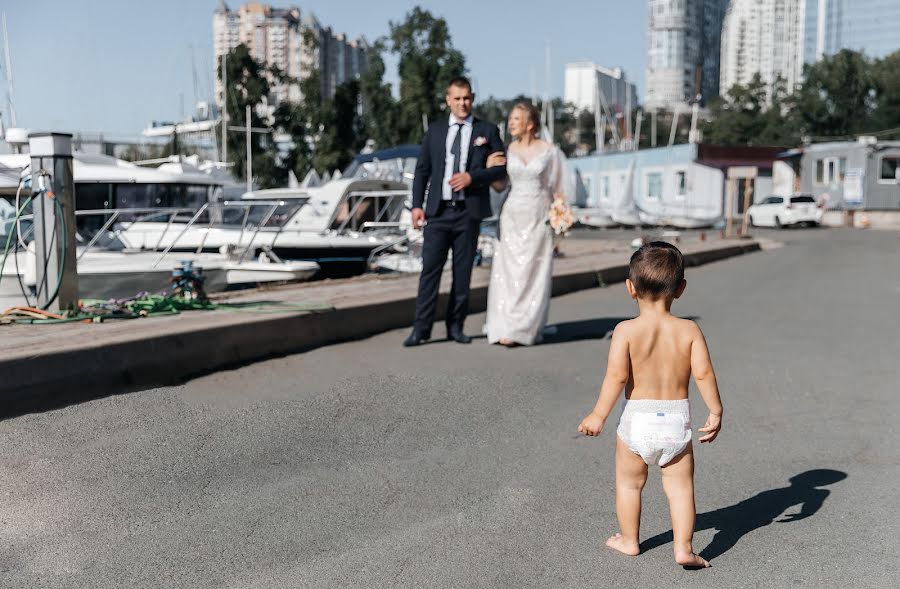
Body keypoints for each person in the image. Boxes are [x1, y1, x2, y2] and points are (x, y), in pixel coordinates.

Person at [577, 242, 724, 568]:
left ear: (630, 288)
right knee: (681, 489)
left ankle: (630, 541)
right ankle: (683, 548)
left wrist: (598, 415)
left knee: (629, 485)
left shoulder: (625, 331)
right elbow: (703, 373)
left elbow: (616, 377)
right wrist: (715, 410)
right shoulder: (689, 330)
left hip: (638, 420)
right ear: (681, 289)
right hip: (675, 421)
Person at [403, 77, 507, 347]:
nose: (463, 103)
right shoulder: (435, 131)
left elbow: (501, 169)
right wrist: (417, 205)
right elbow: (422, 170)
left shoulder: (487, 130)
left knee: (463, 274)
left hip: (468, 212)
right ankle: (421, 329)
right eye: (457, 98)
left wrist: (473, 177)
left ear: (472, 98)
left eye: (467, 98)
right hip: (437, 213)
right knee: (430, 272)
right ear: (448, 99)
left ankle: (456, 327)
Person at [484, 101, 568, 346]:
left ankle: (526, 327)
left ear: (530, 124)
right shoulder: (507, 151)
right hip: (511, 215)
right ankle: (505, 325)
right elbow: (501, 186)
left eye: (516, 119)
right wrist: (490, 170)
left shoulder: (550, 151)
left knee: (533, 270)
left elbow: (558, 188)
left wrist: (559, 218)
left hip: (538, 215)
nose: (511, 122)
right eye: (510, 118)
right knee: (508, 271)